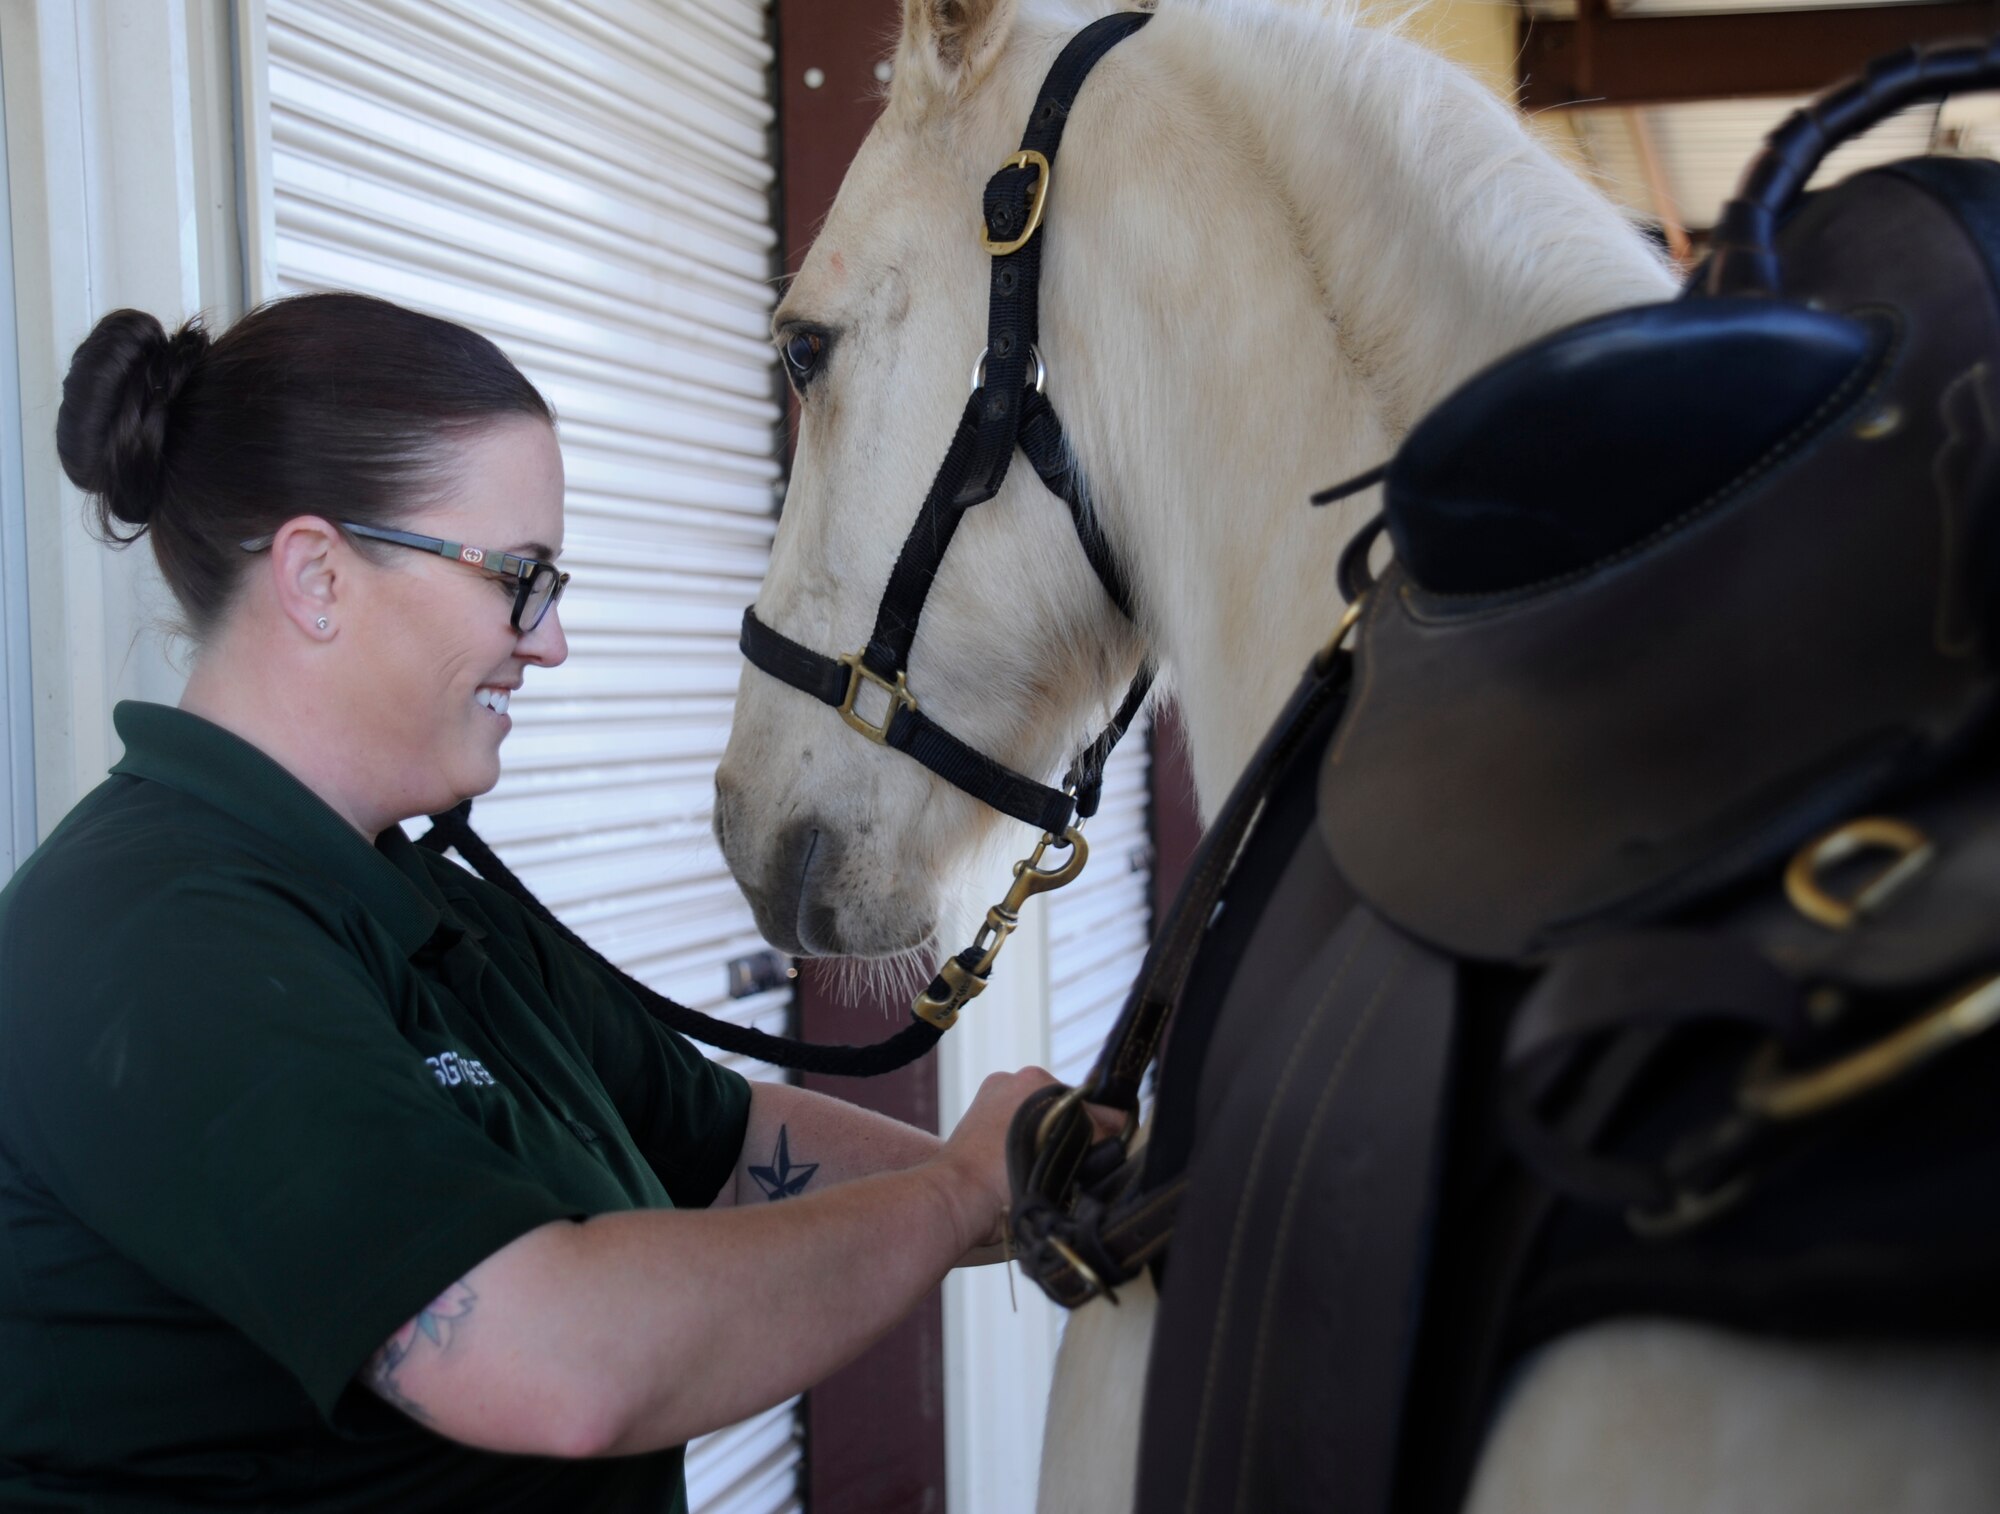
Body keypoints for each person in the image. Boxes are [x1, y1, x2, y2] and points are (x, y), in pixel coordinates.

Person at [0, 294, 1052, 1512]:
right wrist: (957, 1192)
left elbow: (719, 1150)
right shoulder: (159, 942)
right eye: (519, 578)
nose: (547, 643)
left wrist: (1037, 1180)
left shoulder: (419, 900)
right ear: (317, 574)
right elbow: (558, 1364)